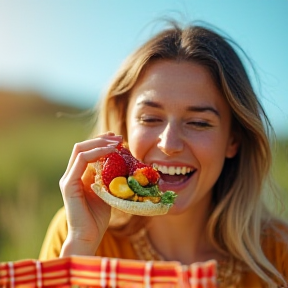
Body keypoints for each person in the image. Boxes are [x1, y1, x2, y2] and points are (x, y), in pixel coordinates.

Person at [39, 22, 288, 287]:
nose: (169, 144)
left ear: (233, 140)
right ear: (123, 126)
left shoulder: (278, 255)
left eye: (199, 122)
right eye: (150, 118)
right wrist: (81, 245)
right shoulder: (75, 232)